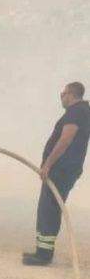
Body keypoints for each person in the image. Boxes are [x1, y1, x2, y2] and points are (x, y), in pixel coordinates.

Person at [23, 82, 90, 266]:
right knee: (49, 208)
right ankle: (42, 250)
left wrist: (48, 164)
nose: (61, 98)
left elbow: (65, 139)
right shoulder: (83, 111)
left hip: (61, 169)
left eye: (63, 94)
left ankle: (44, 255)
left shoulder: (76, 112)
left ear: (71, 94)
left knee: (49, 209)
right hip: (65, 168)